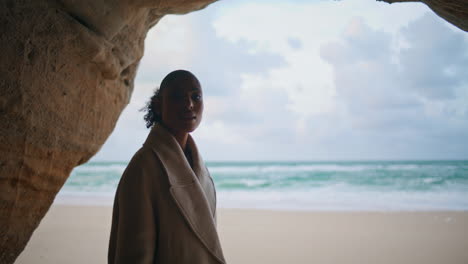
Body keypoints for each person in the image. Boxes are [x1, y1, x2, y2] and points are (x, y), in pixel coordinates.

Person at [108, 70, 226, 264]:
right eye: (178, 97)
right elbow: (134, 255)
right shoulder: (144, 167)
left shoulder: (199, 166)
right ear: (158, 105)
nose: (189, 104)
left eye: (195, 96)